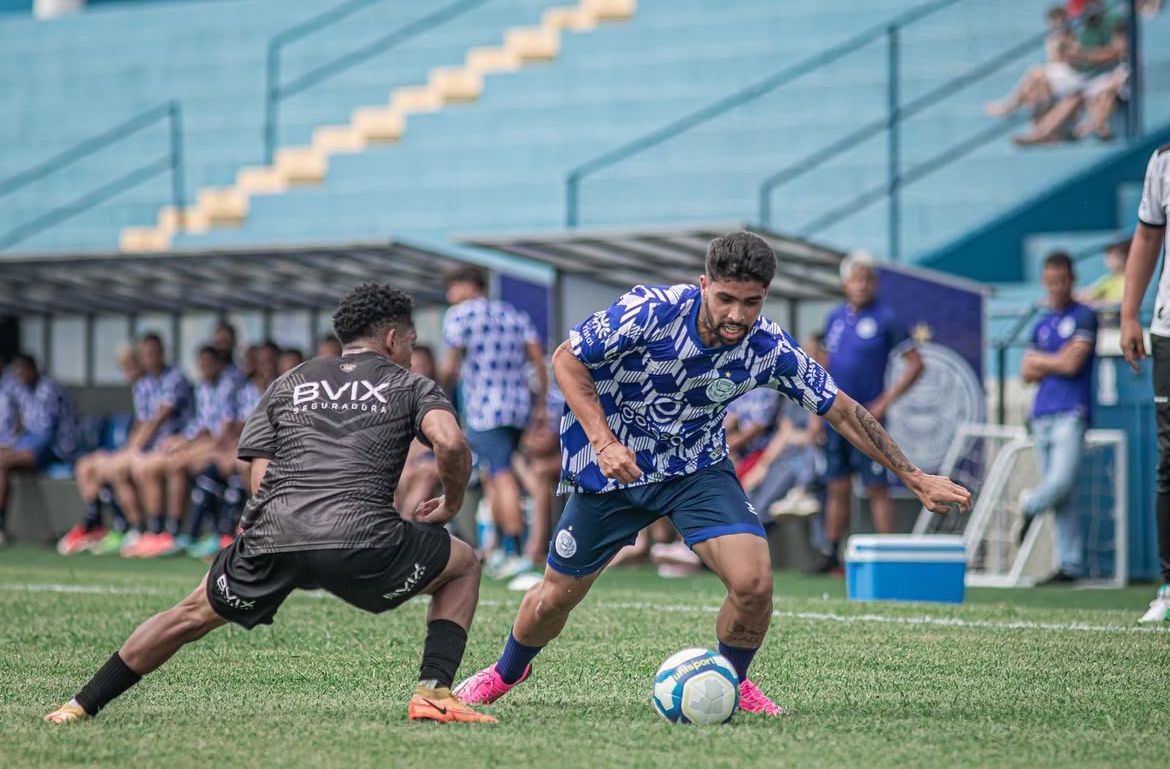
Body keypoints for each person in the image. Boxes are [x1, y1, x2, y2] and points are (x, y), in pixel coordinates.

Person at [452, 231, 971, 715]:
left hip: (696, 469)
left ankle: (732, 679)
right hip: (611, 470)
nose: (737, 315)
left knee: (754, 583)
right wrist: (603, 440)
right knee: (554, 599)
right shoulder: (651, 312)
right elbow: (566, 359)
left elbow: (840, 408)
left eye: (752, 302)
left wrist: (913, 475)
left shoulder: (767, 347)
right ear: (704, 285)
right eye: (725, 298)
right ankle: (505, 672)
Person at [44, 283, 495, 725]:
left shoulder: (291, 380)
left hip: (273, 534)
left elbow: (257, 467)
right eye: (412, 343)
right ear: (394, 338)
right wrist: (451, 502)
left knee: (188, 615)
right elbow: (451, 443)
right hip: (361, 541)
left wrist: (277, 524)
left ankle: (78, 706)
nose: (412, 354)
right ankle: (434, 692)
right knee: (464, 563)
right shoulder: (410, 384)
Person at [810, 251, 924, 574]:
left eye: (867, 279)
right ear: (845, 283)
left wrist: (885, 401)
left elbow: (916, 364)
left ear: (874, 283)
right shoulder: (835, 318)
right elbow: (824, 366)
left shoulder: (886, 320)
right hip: (835, 416)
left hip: (868, 419)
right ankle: (832, 554)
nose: (861, 285)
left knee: (876, 486)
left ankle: (887, 556)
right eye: (855, 279)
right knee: (836, 485)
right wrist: (815, 415)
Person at [439, 265, 548, 579]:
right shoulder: (514, 315)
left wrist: (442, 396)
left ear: (469, 285)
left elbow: (449, 365)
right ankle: (500, 550)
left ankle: (516, 551)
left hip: (484, 409)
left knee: (501, 476)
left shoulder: (460, 316)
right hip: (517, 407)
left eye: (453, 287)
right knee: (493, 474)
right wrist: (539, 404)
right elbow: (538, 360)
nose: (451, 296)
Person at [1019, 252, 1097, 584]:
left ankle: (1028, 505)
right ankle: (1070, 564)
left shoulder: (1084, 316)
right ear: (1043, 281)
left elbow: (1071, 365)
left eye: (1061, 280)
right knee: (1065, 495)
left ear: (1072, 279)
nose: (1056, 286)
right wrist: (1054, 359)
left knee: (1061, 482)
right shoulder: (1042, 324)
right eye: (1051, 281)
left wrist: (1042, 360)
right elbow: (1026, 372)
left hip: (1072, 411)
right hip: (1041, 414)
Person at [126, 345, 239, 558]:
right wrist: (183, 441)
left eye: (208, 363)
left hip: (224, 447)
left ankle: (175, 531)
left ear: (218, 364)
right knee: (170, 460)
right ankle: (156, 531)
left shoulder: (227, 386)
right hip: (209, 443)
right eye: (201, 364)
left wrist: (192, 449)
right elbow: (201, 425)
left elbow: (224, 433)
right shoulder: (203, 387)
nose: (204, 368)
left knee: (177, 463)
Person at [1120, 142, 1170, 621]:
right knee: (1169, 458)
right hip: (1168, 330)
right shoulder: (1163, 161)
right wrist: (1128, 313)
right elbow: (1147, 238)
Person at [101, 334, 193, 556]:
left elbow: (159, 418)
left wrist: (134, 449)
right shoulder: (144, 384)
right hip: (153, 446)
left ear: (163, 352)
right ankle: (137, 529)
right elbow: (142, 421)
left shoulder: (175, 377)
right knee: (114, 468)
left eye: (154, 352)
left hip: (177, 443)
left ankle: (159, 531)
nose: (150, 358)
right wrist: (131, 447)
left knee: (143, 467)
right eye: (146, 354)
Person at [57, 347, 143, 554]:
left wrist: (129, 449)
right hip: (137, 447)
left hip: (156, 449)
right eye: (124, 367)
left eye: (131, 365)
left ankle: (135, 529)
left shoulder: (156, 383)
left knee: (113, 469)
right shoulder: (141, 387)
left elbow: (153, 422)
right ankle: (94, 524)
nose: (127, 371)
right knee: (85, 465)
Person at [0, 353, 80, 542]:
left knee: (2, 463)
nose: (19, 375)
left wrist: (14, 453)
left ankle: (1, 526)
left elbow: (45, 436)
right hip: (36, 447)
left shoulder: (48, 390)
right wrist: (11, 447)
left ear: (33, 370)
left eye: (23, 370)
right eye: (16, 371)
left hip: (59, 449)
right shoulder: (25, 391)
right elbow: (26, 429)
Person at [1077, 238, 1129, 309]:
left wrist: (1097, 303)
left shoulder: (1128, 280)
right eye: (1108, 256)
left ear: (1124, 257)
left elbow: (1122, 302)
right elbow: (1088, 293)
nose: (1108, 260)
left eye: (1112, 256)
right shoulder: (1108, 279)